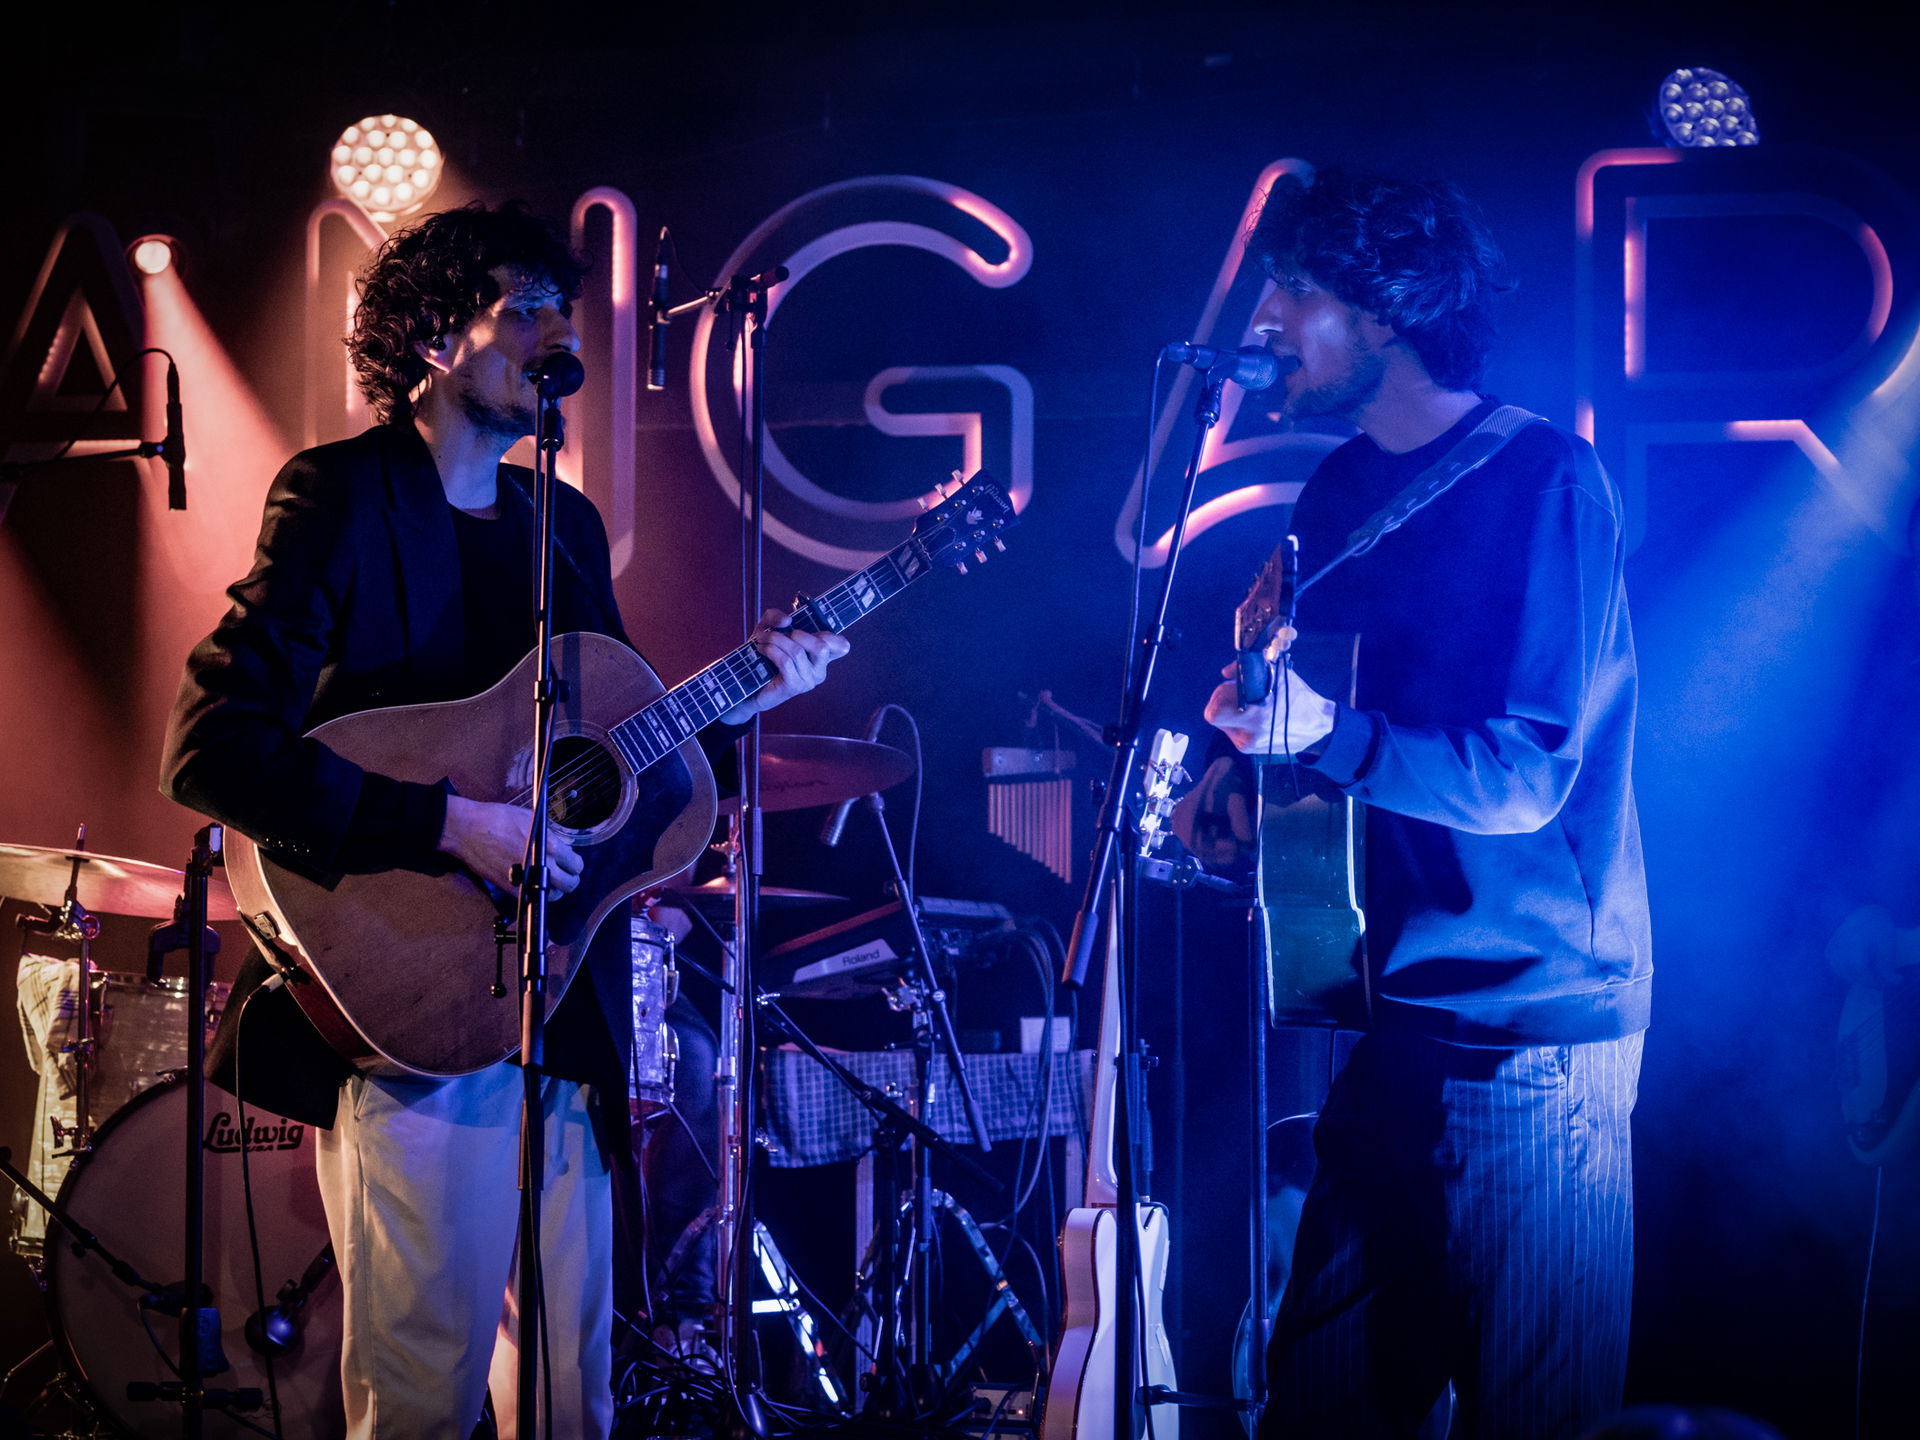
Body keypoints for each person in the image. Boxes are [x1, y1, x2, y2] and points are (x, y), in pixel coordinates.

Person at [159, 201, 848, 1439]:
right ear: (431, 338)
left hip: (557, 997)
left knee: (573, 1386)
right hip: (416, 997)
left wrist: (751, 692)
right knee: (421, 1381)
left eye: (559, 308)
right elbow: (212, 749)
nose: (554, 331)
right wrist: (444, 826)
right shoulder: (340, 498)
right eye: (520, 307)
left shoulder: (561, 526)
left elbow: (630, 767)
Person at [1202, 169, 1651, 1439]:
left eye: (1297, 286)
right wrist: (1249, 786)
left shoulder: (1544, 482)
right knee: (1318, 1410)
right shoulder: (1335, 492)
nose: (1269, 317)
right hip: (1390, 1018)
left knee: (1534, 1418)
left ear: (1387, 311)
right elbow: (1343, 738)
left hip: (1530, 1035)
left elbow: (1522, 775)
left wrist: (1323, 736)